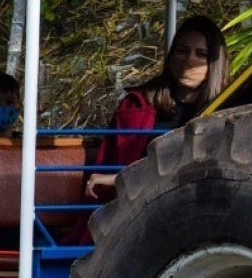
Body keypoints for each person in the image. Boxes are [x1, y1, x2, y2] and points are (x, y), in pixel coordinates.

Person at [85, 15, 230, 201]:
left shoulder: (228, 109)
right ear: (170, 57)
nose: (189, 61)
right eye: (182, 51)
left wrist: (121, 178)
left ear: (215, 65)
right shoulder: (137, 106)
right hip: (142, 204)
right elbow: (111, 163)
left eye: (201, 54)